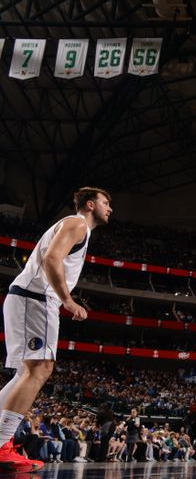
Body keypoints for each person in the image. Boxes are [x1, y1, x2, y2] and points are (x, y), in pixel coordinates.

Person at [0, 187, 112, 472]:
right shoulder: (77, 223)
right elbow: (52, 258)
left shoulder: (77, 227)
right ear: (90, 205)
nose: (110, 208)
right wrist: (68, 300)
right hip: (36, 298)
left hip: (29, 298)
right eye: (105, 203)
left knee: (27, 373)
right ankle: (1, 444)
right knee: (39, 369)